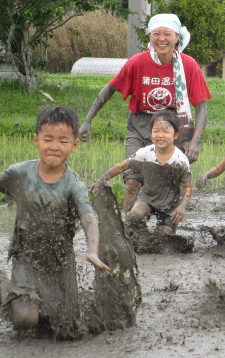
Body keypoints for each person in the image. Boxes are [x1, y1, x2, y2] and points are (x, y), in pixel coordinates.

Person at [0, 106, 110, 339]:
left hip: (60, 262)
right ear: (36, 140)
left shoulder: (74, 185)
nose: (55, 146)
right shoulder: (20, 173)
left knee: (66, 329)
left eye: (63, 141)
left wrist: (92, 250)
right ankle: (5, 288)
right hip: (26, 257)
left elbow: (88, 217)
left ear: (74, 145)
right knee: (27, 320)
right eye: (48, 139)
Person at [79, 13, 211, 212]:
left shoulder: (188, 65)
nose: (161, 39)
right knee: (132, 181)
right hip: (141, 127)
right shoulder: (137, 62)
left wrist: (195, 141)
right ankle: (130, 231)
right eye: (156, 33)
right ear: (150, 36)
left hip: (171, 129)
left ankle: (162, 230)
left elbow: (201, 107)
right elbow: (109, 90)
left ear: (177, 37)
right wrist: (88, 120)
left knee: (167, 185)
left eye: (167, 34)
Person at [92, 109, 192, 242]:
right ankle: (142, 237)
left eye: (166, 131)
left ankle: (159, 234)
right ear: (150, 133)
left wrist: (182, 207)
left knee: (164, 238)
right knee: (134, 216)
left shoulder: (180, 160)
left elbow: (187, 188)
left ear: (176, 135)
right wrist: (101, 180)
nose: (160, 135)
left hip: (170, 205)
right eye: (156, 131)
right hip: (148, 199)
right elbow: (122, 166)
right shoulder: (145, 153)